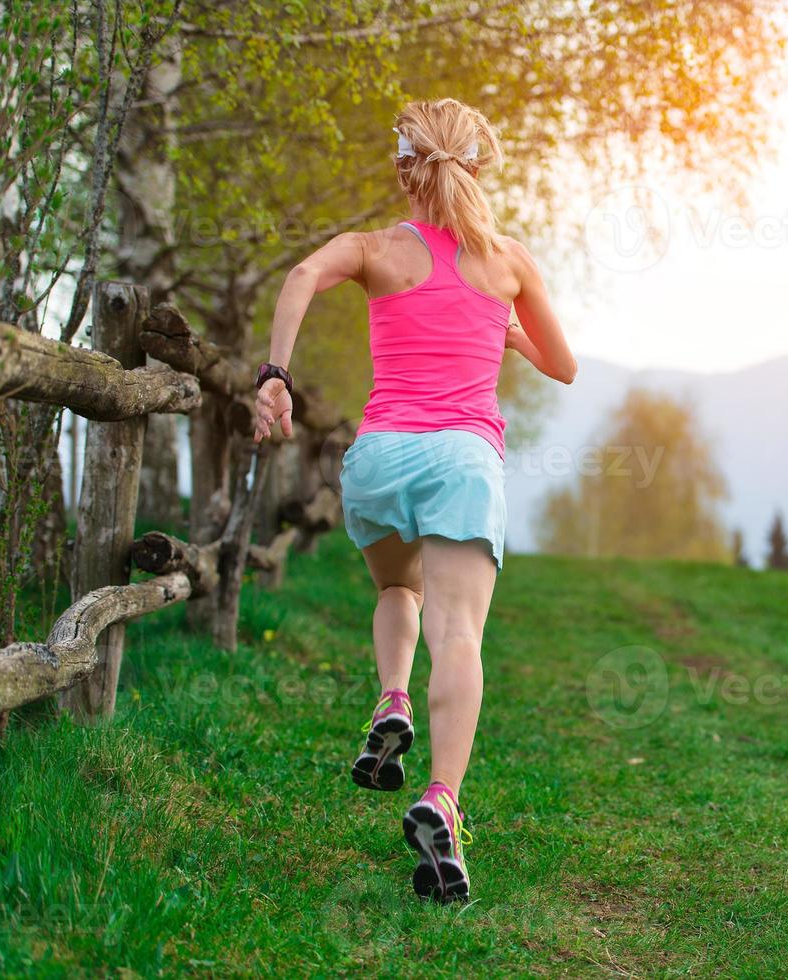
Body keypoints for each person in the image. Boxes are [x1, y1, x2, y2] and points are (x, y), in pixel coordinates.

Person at [253, 97, 577, 903]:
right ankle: (441, 799)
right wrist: (509, 337)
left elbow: (301, 276)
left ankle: (390, 697)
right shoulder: (508, 261)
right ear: (476, 168)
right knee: (458, 631)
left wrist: (275, 378)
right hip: (462, 460)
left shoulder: (375, 249)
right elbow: (564, 366)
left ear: (404, 171)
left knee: (398, 587)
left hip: (380, 460)